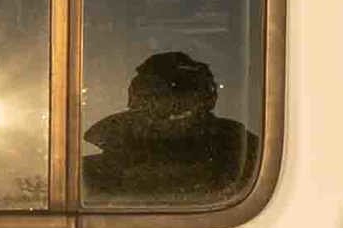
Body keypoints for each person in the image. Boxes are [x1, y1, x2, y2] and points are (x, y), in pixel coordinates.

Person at [81, 47, 257, 202]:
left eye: (183, 91)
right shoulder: (239, 147)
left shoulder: (236, 146)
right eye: (154, 94)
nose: (172, 103)